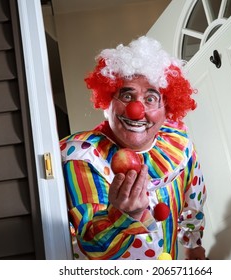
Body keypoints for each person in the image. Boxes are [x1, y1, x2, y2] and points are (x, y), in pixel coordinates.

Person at [60, 36, 207, 260]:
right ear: (107, 102)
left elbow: (193, 202)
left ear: (167, 108)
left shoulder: (178, 146)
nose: (136, 110)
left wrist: (193, 245)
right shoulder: (83, 155)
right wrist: (122, 216)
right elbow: (93, 245)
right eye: (127, 95)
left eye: (150, 98)